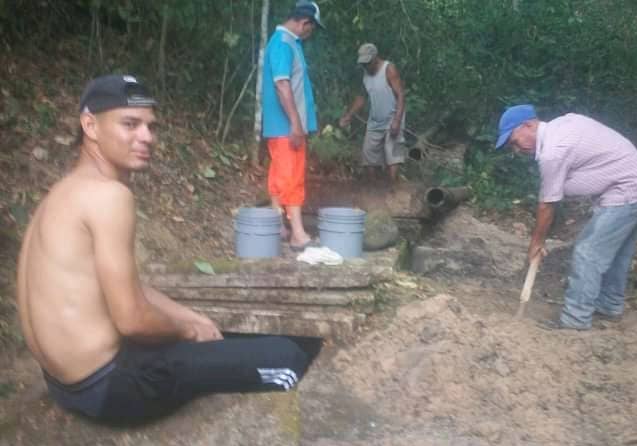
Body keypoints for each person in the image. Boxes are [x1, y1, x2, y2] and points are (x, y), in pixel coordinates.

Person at [16, 74, 314, 424]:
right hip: (111, 386)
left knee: (226, 336)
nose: (146, 137)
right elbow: (131, 320)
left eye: (150, 127)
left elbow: (127, 289)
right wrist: (188, 331)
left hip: (65, 384)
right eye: (130, 124)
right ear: (90, 125)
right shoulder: (110, 197)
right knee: (288, 354)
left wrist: (194, 320)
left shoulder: (63, 193)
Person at [496, 104, 637, 330]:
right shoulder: (564, 124)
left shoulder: (553, 151)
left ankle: (576, 319)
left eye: (515, 141)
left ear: (528, 125)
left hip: (629, 188)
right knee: (617, 251)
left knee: (588, 251)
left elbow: (547, 205)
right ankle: (609, 306)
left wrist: (536, 242)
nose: (516, 149)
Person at [261, 1, 324, 252]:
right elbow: (282, 85)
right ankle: (298, 234)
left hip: (281, 128)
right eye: (312, 28)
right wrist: (297, 124)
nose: (311, 33)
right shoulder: (283, 44)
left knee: (279, 176)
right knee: (292, 178)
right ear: (304, 23)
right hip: (287, 128)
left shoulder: (287, 44)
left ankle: (279, 228)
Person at [339, 43, 406, 183]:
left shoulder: (389, 69)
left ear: (375, 58)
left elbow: (400, 95)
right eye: (363, 63)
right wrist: (349, 115)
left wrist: (397, 121)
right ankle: (373, 187)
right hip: (375, 119)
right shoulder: (365, 74)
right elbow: (362, 98)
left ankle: (392, 186)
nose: (365, 66)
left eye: (368, 63)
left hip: (393, 116)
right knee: (368, 154)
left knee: (393, 154)